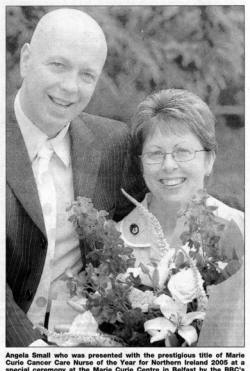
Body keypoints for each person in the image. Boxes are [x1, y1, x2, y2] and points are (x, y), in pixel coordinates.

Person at [6, 8, 143, 347]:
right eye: (58, 65)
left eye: (87, 75)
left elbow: (152, 210)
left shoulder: (113, 143)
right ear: (26, 60)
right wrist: (33, 356)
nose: (70, 87)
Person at [117, 89, 244, 345]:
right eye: (155, 154)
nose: (169, 166)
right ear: (140, 164)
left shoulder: (241, 228)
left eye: (183, 151)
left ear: (209, 160)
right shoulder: (116, 238)